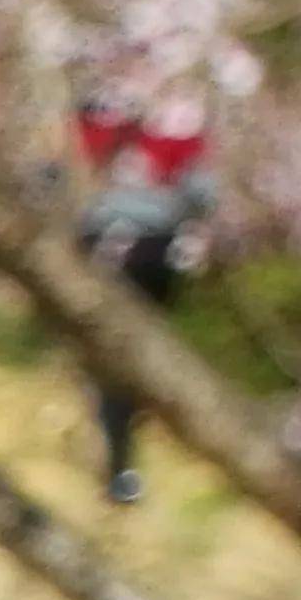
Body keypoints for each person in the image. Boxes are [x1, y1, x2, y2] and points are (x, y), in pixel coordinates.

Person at [71, 92, 214, 506]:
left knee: (114, 361)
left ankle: (122, 457)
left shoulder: (167, 125)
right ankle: (123, 456)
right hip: (149, 247)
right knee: (124, 358)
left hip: (122, 246)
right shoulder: (117, 121)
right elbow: (202, 194)